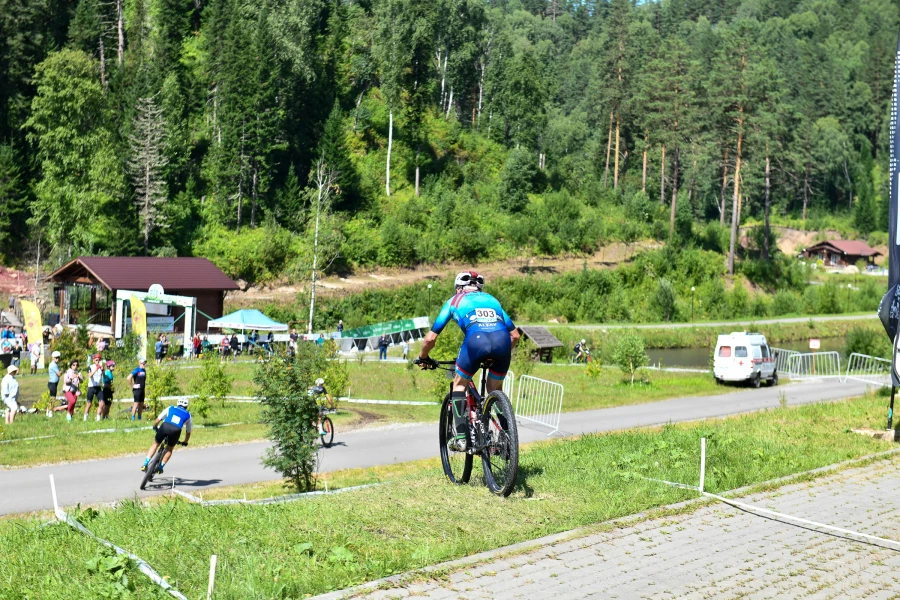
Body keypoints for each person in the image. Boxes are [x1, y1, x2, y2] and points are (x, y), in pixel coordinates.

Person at [415, 271, 519, 452]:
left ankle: (462, 439)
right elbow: (515, 336)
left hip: (475, 342)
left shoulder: (454, 301)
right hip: (502, 343)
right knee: (494, 389)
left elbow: (430, 339)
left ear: (458, 288)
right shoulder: (492, 300)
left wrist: (423, 357)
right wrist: (500, 353)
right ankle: (509, 436)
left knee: (459, 385)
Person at [141, 398, 192, 474]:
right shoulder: (188, 415)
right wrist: (185, 441)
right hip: (176, 430)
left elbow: (158, 419)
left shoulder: (171, 407)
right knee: (169, 449)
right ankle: (160, 467)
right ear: (186, 406)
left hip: (165, 426)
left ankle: (145, 464)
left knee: (155, 444)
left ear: (177, 403)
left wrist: (155, 426)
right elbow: (188, 431)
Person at [85, 353, 104, 421]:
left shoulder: (101, 367)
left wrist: (103, 371)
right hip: (91, 387)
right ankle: (85, 418)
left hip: (98, 387)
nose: (98, 361)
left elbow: (104, 377)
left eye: (99, 360)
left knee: (101, 403)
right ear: (93, 360)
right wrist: (96, 369)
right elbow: (90, 375)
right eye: (96, 360)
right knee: (89, 404)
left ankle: (98, 418)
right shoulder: (90, 367)